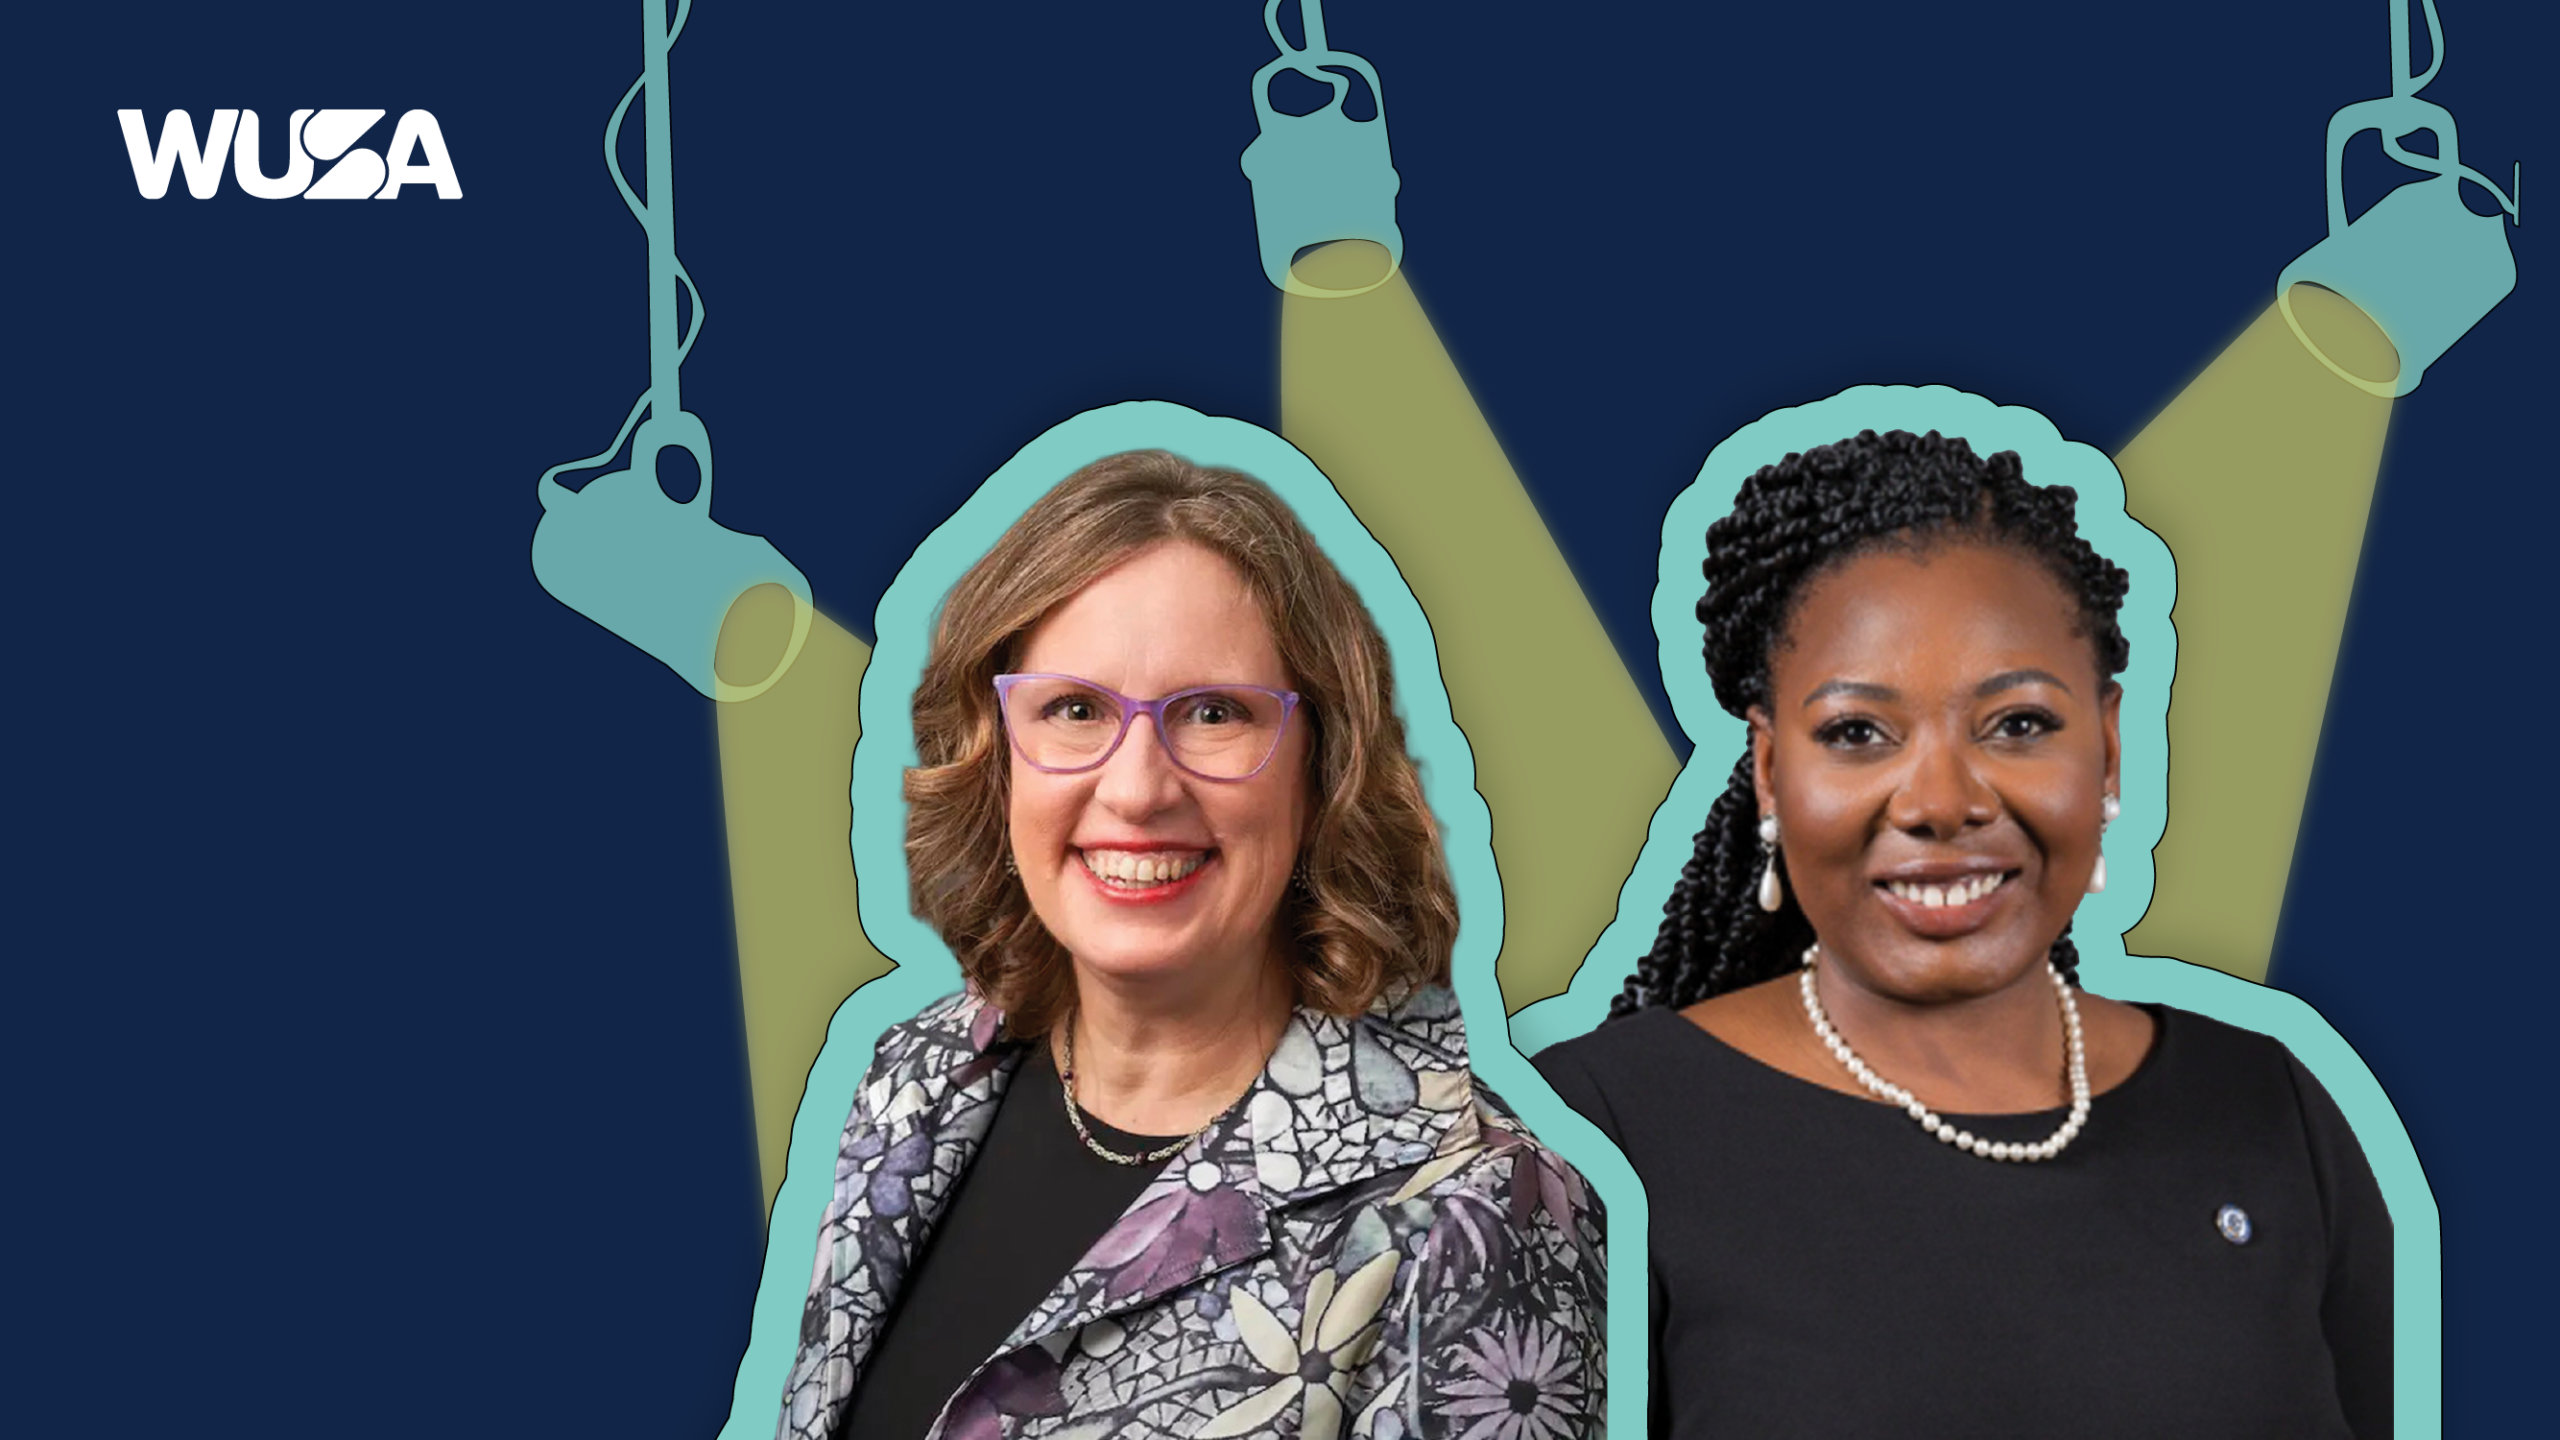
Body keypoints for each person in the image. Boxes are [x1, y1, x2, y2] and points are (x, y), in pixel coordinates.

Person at [1533, 429, 2390, 1438]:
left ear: (2108, 746)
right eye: (1856, 733)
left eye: (2018, 724)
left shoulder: (2272, 1109)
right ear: (1768, 771)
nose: (1941, 802)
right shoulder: (1588, 1134)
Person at [778, 450, 1606, 1440]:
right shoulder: (916, 1078)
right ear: (994, 757)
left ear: (1324, 767)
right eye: (1074, 709)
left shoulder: (1480, 1210)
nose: (1136, 790)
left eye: (1214, 713)